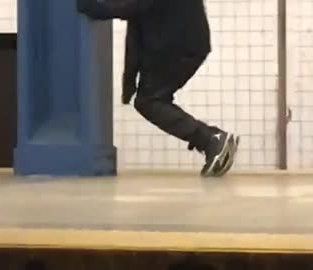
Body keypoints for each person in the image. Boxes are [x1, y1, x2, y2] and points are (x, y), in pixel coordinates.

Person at [78, 0, 239, 177]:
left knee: (150, 102)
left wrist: (90, 6)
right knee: (150, 100)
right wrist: (130, 81)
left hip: (177, 46)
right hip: (184, 44)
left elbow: (129, 8)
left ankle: (210, 140)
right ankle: (211, 139)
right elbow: (135, 25)